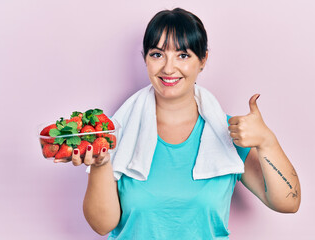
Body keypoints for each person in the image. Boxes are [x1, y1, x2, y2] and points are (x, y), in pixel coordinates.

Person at [55, 7, 301, 239]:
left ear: (203, 60)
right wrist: (100, 164)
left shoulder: (229, 133)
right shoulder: (118, 131)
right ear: (146, 59)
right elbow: (102, 225)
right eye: (157, 54)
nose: (168, 68)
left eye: (183, 55)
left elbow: (288, 202)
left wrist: (267, 142)